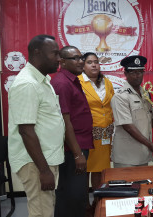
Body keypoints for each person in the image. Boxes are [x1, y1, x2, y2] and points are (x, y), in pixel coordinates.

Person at [8, 34, 64, 217]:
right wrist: (44, 170)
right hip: (35, 163)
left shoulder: (43, 79)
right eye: (54, 53)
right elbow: (26, 131)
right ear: (36, 53)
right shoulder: (27, 84)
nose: (58, 58)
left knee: (46, 207)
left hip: (44, 158)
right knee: (41, 211)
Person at [51, 46, 93, 217]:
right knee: (72, 195)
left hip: (79, 145)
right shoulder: (62, 83)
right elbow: (65, 121)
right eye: (75, 58)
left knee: (78, 193)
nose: (81, 61)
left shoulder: (73, 80)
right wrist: (77, 154)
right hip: (72, 150)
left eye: (81, 57)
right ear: (62, 62)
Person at [111, 55, 153, 168]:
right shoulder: (120, 97)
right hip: (127, 157)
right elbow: (128, 126)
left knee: (143, 185)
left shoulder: (146, 94)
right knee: (127, 186)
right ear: (125, 74)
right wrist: (151, 145)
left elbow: (152, 118)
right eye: (133, 72)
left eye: (140, 72)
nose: (137, 75)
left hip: (143, 154)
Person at [78, 52, 114, 212]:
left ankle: (98, 202)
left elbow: (110, 104)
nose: (94, 65)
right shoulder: (78, 82)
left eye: (96, 62)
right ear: (83, 66)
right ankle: (84, 204)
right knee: (84, 171)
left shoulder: (106, 82)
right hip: (86, 134)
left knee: (100, 170)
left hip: (105, 134)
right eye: (89, 62)